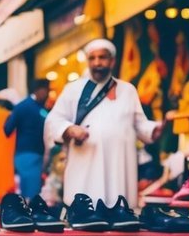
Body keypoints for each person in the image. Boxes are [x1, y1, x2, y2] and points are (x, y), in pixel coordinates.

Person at [44, 38, 164, 206]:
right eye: (92, 58)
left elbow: (139, 124)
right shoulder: (73, 89)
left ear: (112, 61)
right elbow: (53, 120)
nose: (97, 62)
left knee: (119, 211)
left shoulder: (127, 90)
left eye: (102, 57)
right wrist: (69, 129)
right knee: (87, 210)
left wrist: (154, 129)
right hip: (85, 161)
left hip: (119, 163)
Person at [4, 79, 50, 200]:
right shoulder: (24, 107)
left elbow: (7, 128)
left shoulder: (35, 107)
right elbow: (7, 129)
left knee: (29, 193)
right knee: (32, 195)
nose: (48, 94)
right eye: (47, 91)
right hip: (28, 155)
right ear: (39, 90)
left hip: (31, 155)